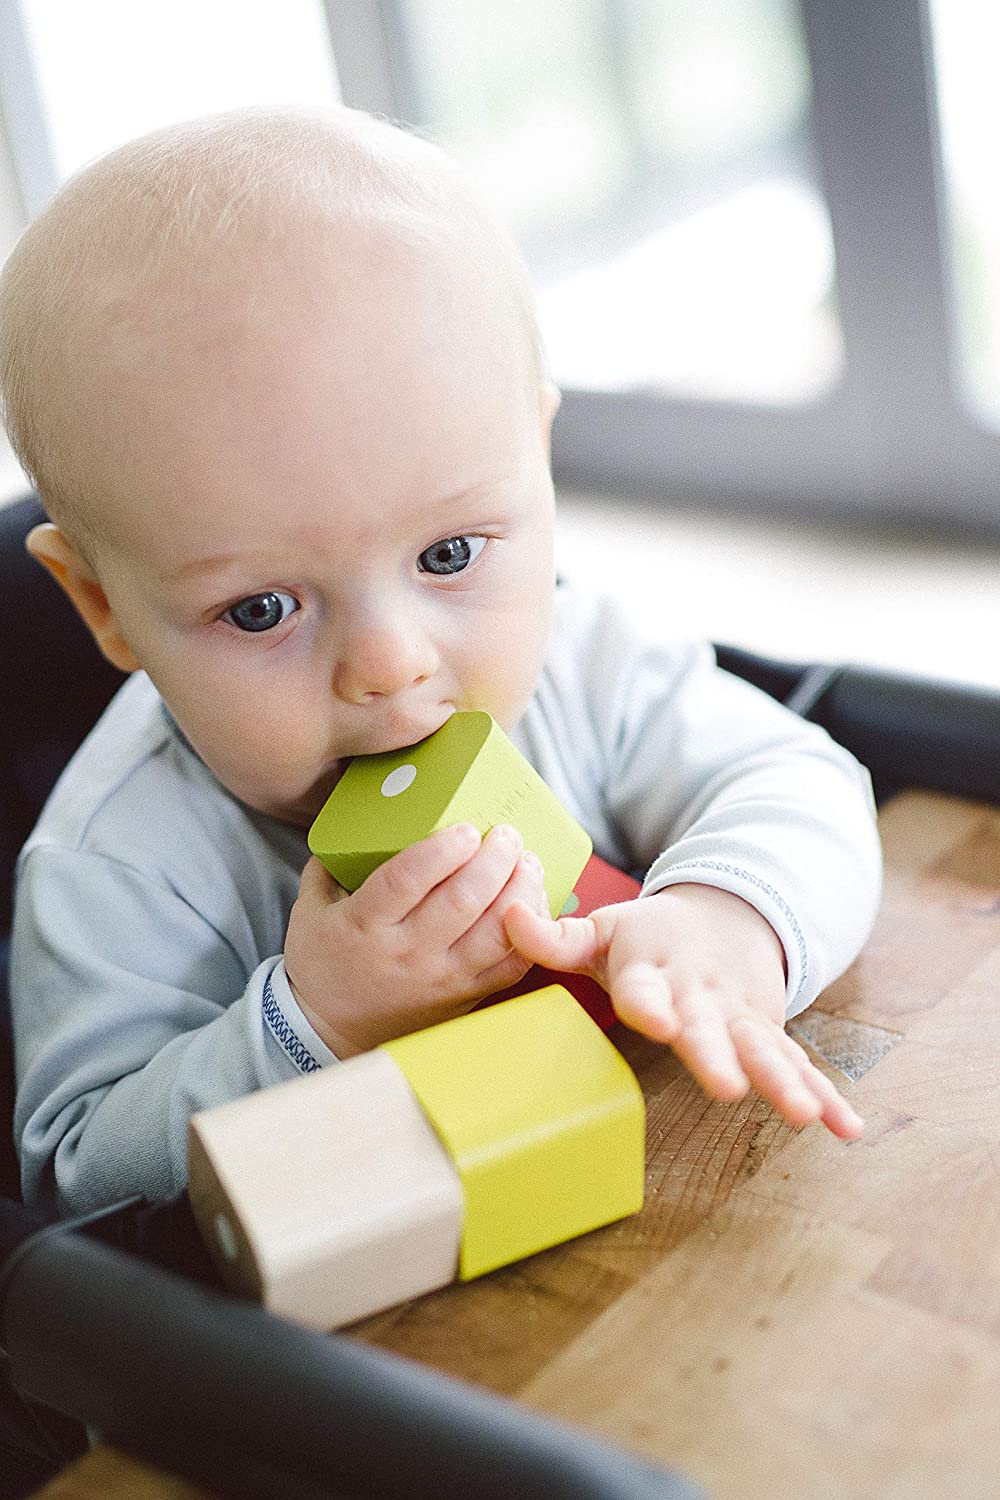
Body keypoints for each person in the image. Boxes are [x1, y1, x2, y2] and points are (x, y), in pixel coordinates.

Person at [0, 106, 881, 1217]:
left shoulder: (582, 656)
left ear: (539, 468)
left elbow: (805, 781)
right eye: (263, 608)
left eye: (448, 552)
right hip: (354, 1350)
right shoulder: (118, 866)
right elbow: (79, 1196)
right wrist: (319, 1022)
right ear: (101, 605)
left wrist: (727, 918)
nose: (388, 662)